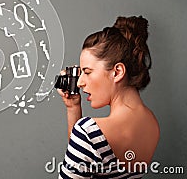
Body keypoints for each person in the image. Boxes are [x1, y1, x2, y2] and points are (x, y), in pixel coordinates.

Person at [57, 16, 160, 178]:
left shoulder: (88, 132)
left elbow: (82, 157)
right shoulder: (151, 122)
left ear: (117, 72)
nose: (80, 83)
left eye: (88, 72)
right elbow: (83, 157)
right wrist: (73, 107)